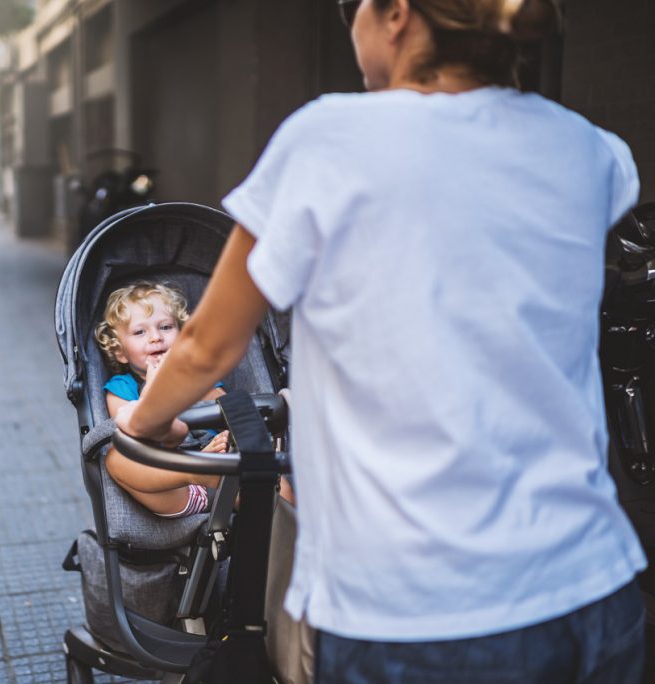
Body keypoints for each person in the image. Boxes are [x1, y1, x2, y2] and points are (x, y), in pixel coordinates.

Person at [115, 0, 647, 681]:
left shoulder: (329, 140)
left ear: (396, 13)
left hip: (415, 616)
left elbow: (205, 349)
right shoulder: (588, 148)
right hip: (592, 589)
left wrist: (146, 422)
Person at [96, 282, 231, 517]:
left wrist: (186, 381)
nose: (156, 337)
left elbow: (229, 413)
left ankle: (293, 534)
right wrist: (153, 388)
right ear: (120, 352)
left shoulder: (199, 376)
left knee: (266, 466)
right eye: (140, 332)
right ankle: (195, 471)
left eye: (166, 327)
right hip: (175, 486)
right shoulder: (121, 389)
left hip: (224, 468)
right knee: (115, 460)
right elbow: (132, 435)